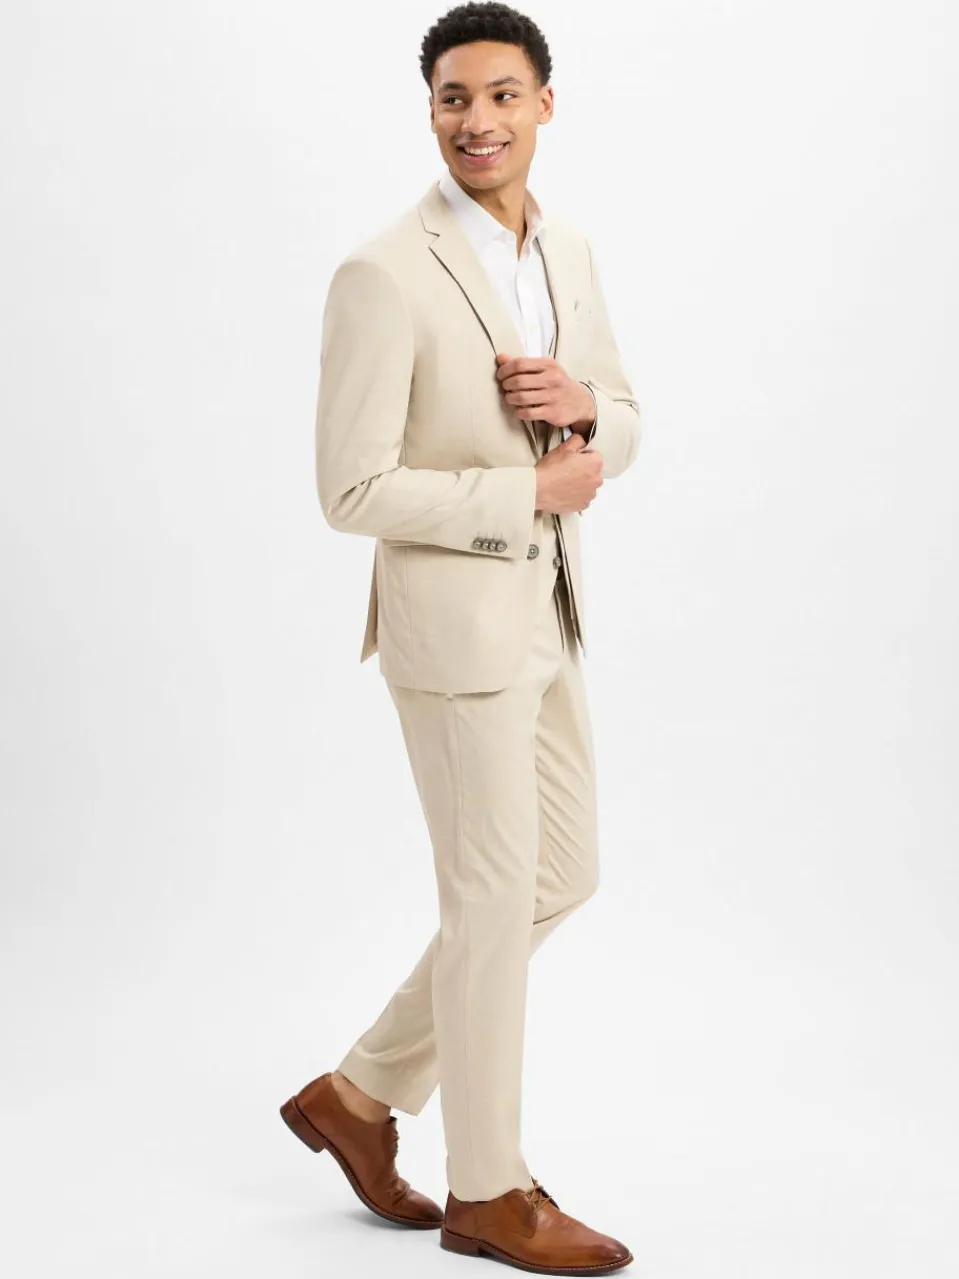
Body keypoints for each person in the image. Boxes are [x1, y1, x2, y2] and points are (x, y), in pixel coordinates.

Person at [280, 3, 641, 1272]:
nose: (475, 120)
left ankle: (359, 1092)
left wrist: (586, 410)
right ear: (429, 112)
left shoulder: (567, 250)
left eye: (498, 94)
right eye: (451, 98)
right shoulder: (383, 273)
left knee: (558, 876)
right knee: (489, 901)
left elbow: (622, 413)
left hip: (550, 615)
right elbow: (349, 491)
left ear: (543, 104)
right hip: (452, 632)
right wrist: (520, 491)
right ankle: (489, 1191)